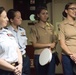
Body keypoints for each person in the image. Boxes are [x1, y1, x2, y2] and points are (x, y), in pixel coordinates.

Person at [30, 6, 57, 75]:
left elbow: (55, 40)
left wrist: (53, 44)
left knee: (51, 73)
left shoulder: (51, 26)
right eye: (43, 13)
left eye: (46, 13)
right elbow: (34, 44)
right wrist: (49, 44)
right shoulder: (34, 28)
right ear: (38, 15)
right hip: (39, 54)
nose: (45, 15)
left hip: (51, 54)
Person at [7, 9, 30, 75]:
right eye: (18, 18)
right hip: (14, 58)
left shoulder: (22, 30)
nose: (21, 19)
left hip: (24, 57)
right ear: (11, 20)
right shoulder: (6, 31)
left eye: (21, 17)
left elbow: (25, 44)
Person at [0, 7, 22, 75]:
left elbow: (17, 49)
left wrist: (20, 65)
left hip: (16, 68)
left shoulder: (8, 32)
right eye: (5, 17)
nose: (7, 19)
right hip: (3, 71)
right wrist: (13, 69)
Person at [58, 2, 76, 75]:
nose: (75, 11)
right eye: (72, 9)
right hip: (67, 56)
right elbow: (62, 44)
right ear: (66, 11)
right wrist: (72, 54)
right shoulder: (62, 25)